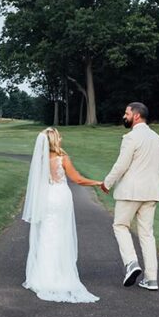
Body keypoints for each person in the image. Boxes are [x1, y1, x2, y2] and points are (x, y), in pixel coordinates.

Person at [22, 127, 102, 303]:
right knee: (60, 234)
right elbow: (78, 179)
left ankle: (43, 276)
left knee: (46, 234)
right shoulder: (62, 159)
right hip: (60, 198)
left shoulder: (40, 160)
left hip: (46, 199)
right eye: (59, 137)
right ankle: (60, 275)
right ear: (53, 141)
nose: (61, 138)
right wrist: (97, 182)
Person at [102, 102, 159, 291]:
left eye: (126, 113)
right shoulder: (157, 138)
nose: (124, 116)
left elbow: (121, 165)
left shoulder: (131, 138)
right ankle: (151, 279)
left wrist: (107, 183)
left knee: (120, 226)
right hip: (151, 192)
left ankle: (131, 263)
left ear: (136, 116)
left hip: (130, 191)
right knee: (147, 234)